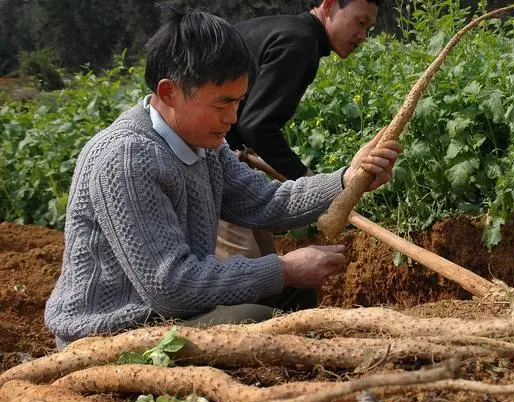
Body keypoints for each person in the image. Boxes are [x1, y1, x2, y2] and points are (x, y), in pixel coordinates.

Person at [44, 9, 400, 349]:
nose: (233, 118)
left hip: (165, 311)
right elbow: (169, 287)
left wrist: (346, 179)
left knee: (295, 297)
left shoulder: (204, 147)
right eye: (221, 104)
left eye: (238, 102)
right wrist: (283, 268)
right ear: (170, 92)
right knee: (260, 321)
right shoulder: (125, 158)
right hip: (113, 328)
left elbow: (268, 202)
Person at [217, 0, 383, 260]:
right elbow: (257, 125)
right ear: (329, 6)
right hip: (211, 166)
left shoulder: (293, 33)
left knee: (266, 267)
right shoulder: (300, 42)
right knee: (248, 275)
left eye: (368, 29)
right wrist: (303, 176)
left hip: (229, 164)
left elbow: (250, 120)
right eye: (359, 23)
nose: (362, 36)